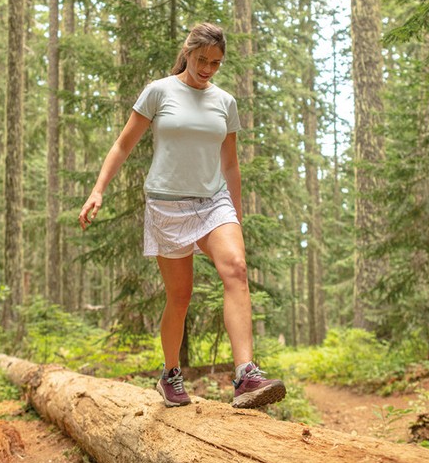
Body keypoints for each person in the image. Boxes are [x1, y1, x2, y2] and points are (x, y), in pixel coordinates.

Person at [79, 22, 286, 409]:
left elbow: (231, 164)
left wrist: (235, 216)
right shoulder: (159, 91)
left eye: (216, 63)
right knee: (179, 296)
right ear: (187, 52)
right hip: (167, 205)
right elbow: (123, 145)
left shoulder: (225, 102)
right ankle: (170, 373)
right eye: (202, 59)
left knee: (236, 268)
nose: (207, 68)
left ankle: (246, 375)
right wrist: (97, 190)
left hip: (213, 202)